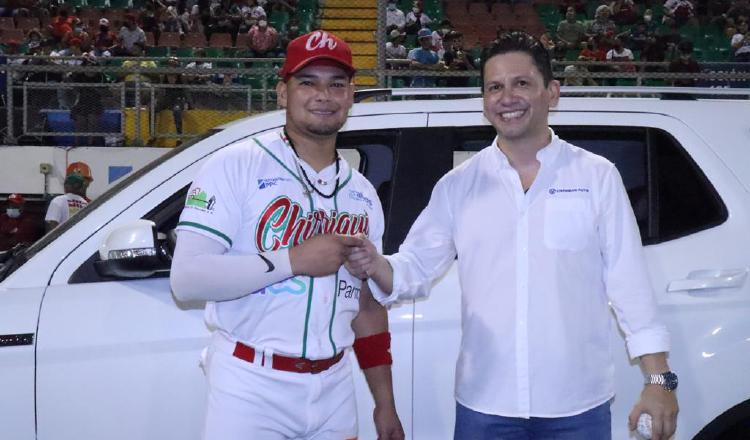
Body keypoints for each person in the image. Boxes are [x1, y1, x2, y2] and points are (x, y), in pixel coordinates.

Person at [345, 31, 679, 440]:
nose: (507, 97)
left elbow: (629, 283)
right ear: (484, 100)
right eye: (495, 87)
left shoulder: (595, 177)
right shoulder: (458, 186)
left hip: (577, 406)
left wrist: (658, 379)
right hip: (485, 406)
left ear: (551, 92)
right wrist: (374, 262)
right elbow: (414, 266)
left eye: (522, 83)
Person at [169, 30, 405, 440]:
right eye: (307, 82)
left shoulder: (362, 194)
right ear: (282, 93)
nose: (323, 95)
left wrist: (385, 405)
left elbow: (365, 307)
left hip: (334, 385)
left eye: (336, 84)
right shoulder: (235, 165)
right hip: (250, 383)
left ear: (351, 96)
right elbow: (186, 280)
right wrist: (292, 260)